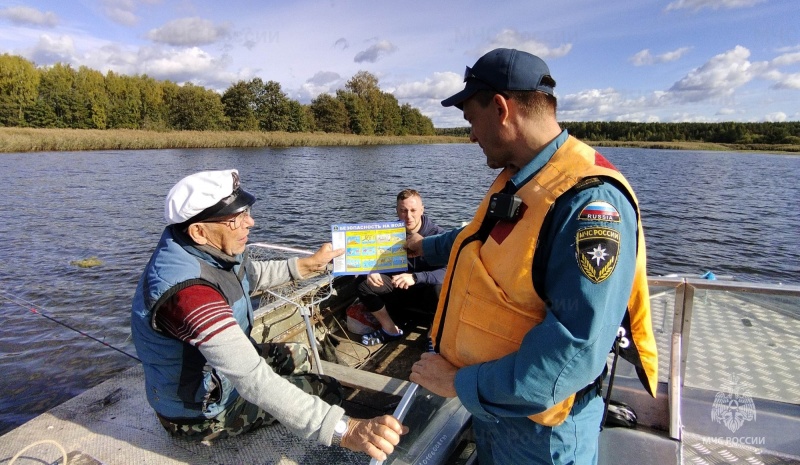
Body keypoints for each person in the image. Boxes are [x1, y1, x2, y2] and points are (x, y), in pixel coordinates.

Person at [406, 49, 659, 465]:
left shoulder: (591, 203)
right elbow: (479, 240)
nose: (471, 136)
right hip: (496, 407)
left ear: (502, 109)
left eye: (471, 120)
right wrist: (423, 248)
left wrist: (460, 383)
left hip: (543, 434)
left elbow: (574, 350)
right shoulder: (525, 176)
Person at [131, 169, 406, 461]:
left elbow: (250, 275)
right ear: (199, 230)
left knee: (298, 354)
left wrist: (309, 265)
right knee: (325, 389)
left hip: (216, 375)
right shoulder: (187, 295)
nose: (251, 222)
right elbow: (252, 378)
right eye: (237, 218)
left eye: (246, 211)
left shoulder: (206, 250)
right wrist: (345, 430)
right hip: (199, 411)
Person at [357, 189, 446, 346]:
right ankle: (390, 329)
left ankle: (434, 336)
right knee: (365, 284)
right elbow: (365, 258)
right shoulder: (387, 234)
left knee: (441, 288)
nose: (409, 216)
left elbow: (448, 271)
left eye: (413, 210)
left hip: (427, 295)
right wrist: (370, 271)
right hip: (398, 292)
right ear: (397, 211)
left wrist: (415, 277)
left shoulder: (438, 236)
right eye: (403, 211)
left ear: (422, 210)